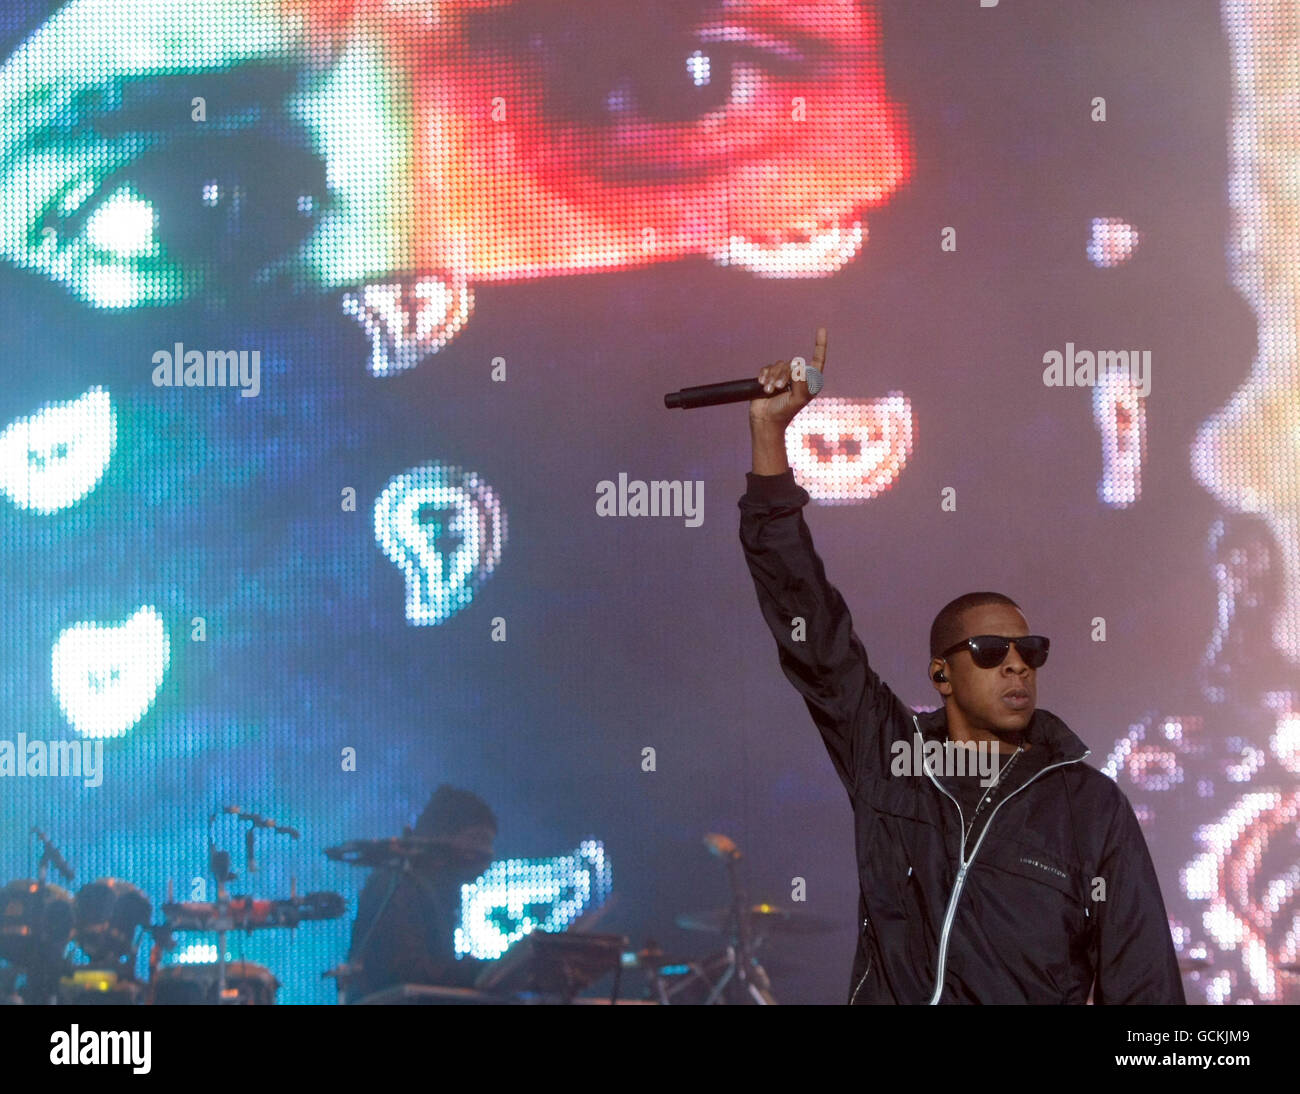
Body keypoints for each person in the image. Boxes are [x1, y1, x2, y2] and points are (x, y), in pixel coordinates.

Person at [738, 329, 1184, 1004]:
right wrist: (770, 442)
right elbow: (811, 629)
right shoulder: (893, 761)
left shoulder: (1088, 808)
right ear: (940, 675)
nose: (1016, 667)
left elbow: (1145, 984)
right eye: (989, 652)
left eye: (1029, 653)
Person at [345, 785, 497, 1002]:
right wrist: (482, 972)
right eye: (478, 839)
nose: (487, 853)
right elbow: (407, 972)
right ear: (442, 837)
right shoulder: (397, 884)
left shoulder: (432, 890)